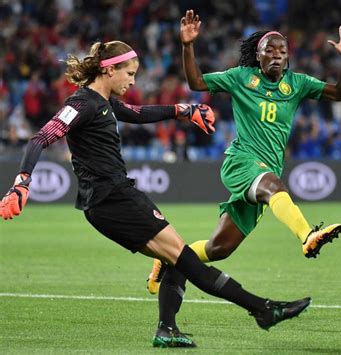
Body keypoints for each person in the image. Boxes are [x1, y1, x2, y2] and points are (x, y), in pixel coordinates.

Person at [0, 40, 311, 348]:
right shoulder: (82, 104)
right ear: (109, 70)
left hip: (110, 200)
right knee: (188, 261)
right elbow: (40, 138)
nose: (134, 81)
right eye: (130, 73)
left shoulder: (103, 103)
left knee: (178, 260)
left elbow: (136, 113)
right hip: (114, 200)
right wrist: (21, 182)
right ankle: (263, 309)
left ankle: (169, 329)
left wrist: (184, 110)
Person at [147, 8, 341, 330]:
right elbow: (196, 81)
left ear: (288, 58)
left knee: (220, 249)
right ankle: (307, 234)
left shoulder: (297, 84)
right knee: (275, 187)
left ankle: (171, 256)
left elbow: (339, 93)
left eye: (281, 51)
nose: (275, 55)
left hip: (265, 170)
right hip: (242, 162)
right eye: (268, 51)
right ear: (257, 57)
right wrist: (188, 45)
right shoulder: (241, 77)